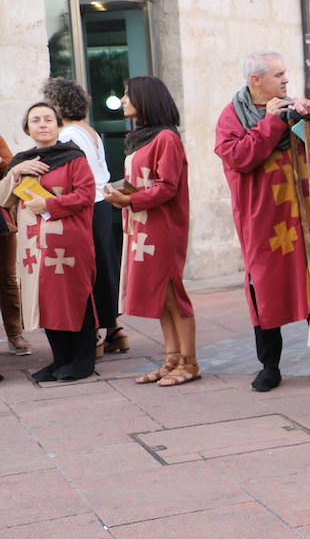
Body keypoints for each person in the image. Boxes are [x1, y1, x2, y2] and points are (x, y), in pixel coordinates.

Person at [215, 51, 310, 392]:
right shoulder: (233, 116)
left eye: (285, 74)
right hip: (263, 221)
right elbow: (237, 157)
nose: (285, 80)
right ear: (256, 80)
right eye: (278, 75)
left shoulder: (290, 105)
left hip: (303, 213)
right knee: (264, 291)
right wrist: (271, 122)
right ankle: (269, 367)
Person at [105, 76, 198, 387]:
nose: (123, 99)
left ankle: (189, 362)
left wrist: (129, 199)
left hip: (163, 227)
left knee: (173, 294)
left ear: (146, 99)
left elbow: (168, 186)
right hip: (142, 225)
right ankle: (171, 359)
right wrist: (122, 196)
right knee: (160, 296)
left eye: (128, 94)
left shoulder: (167, 138)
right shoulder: (141, 137)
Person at [0, 102, 97, 381]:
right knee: (47, 301)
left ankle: (82, 361)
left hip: (68, 242)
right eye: (36, 120)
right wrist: (16, 173)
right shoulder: (22, 161)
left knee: (74, 298)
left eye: (48, 119)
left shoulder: (74, 157)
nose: (42, 124)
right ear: (27, 128)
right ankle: (61, 360)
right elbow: (3, 199)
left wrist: (50, 204)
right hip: (34, 247)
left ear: (58, 125)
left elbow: (85, 195)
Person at [43, 78, 125, 359]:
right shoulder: (88, 130)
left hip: (87, 204)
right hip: (101, 202)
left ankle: (97, 337)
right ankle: (114, 330)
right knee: (103, 265)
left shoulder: (67, 135)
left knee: (89, 269)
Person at [0, 135, 30, 358]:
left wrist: (1, 164)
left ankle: (15, 334)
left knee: (7, 278)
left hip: (1, 221)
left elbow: (12, 169)